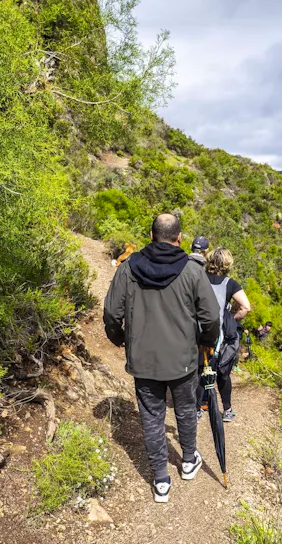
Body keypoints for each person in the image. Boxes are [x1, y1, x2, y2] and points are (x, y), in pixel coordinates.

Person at [103, 214, 220, 503]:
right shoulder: (193, 270)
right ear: (179, 238)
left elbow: (110, 314)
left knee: (152, 418)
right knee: (185, 410)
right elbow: (212, 317)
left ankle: (160, 480)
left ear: (151, 235)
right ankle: (189, 460)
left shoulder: (129, 268)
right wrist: (205, 343)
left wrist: (120, 339)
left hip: (143, 359)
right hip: (183, 359)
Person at [196, 247, 251, 423]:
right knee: (222, 373)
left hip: (196, 330)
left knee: (198, 370)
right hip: (218, 334)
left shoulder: (199, 277)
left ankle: (197, 408)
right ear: (227, 264)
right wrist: (231, 319)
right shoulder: (230, 284)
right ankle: (226, 410)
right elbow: (245, 307)